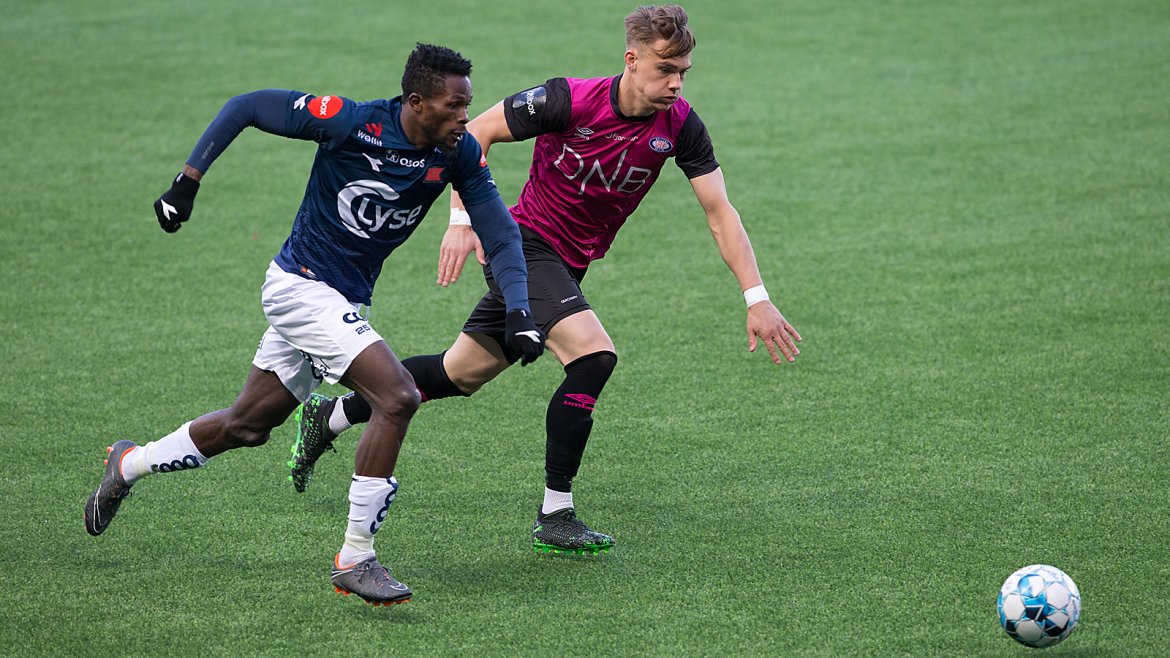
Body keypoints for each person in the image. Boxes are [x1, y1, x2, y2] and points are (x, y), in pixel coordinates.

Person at [288, 5, 801, 556]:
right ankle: (556, 512)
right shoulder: (568, 100)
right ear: (631, 60)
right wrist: (462, 219)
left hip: (567, 266)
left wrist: (757, 297)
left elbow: (720, 211)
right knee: (593, 356)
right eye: (664, 69)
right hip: (522, 248)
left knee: (459, 373)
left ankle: (331, 415)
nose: (675, 83)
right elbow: (477, 131)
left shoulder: (680, 126)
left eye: (683, 72)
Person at [83, 44, 545, 606]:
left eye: (467, 105)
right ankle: (356, 557)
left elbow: (500, 233)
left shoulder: (459, 153)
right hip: (299, 288)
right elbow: (247, 106)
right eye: (454, 106)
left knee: (247, 425)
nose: (465, 118)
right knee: (397, 396)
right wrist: (187, 181)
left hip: (341, 302)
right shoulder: (351, 123)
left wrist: (520, 310)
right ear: (417, 102)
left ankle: (128, 464)